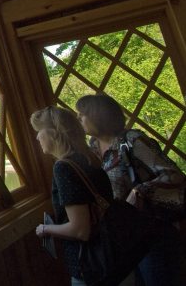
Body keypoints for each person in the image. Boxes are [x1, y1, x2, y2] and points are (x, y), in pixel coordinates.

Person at [76, 94, 183, 286]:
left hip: (152, 232)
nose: (78, 119)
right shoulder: (94, 147)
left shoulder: (132, 139)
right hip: (126, 236)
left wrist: (140, 190)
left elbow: (173, 175)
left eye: (82, 114)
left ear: (98, 116)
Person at [31, 105, 117, 285]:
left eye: (39, 131)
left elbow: (80, 230)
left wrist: (45, 229)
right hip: (115, 258)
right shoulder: (88, 158)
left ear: (54, 134)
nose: (37, 137)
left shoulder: (64, 168)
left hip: (92, 267)